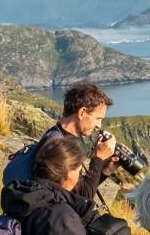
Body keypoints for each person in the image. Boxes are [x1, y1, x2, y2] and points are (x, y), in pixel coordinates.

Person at [41, 81, 125, 219]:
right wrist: (98, 158)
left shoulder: (60, 136)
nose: (99, 125)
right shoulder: (58, 146)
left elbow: (79, 188)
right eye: (98, 118)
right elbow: (84, 198)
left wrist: (106, 169)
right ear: (82, 112)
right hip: (56, 223)